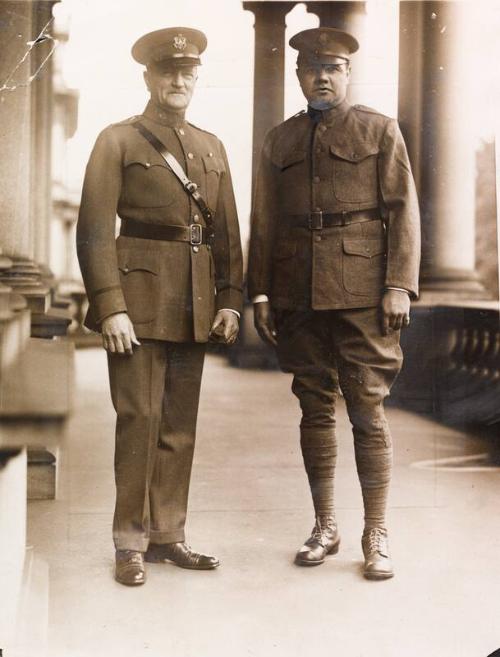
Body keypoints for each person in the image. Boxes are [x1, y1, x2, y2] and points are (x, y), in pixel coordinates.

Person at [247, 27, 420, 580]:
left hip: (365, 293)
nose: (322, 75)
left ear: (347, 73)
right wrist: (262, 290)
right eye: (311, 68)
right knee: (313, 408)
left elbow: (404, 211)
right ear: (299, 76)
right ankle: (326, 523)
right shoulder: (280, 141)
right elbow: (264, 221)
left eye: (333, 67)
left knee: (367, 409)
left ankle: (377, 531)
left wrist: (399, 284)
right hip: (297, 292)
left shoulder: (379, 129)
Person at [77, 27, 243, 586]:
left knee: (178, 424)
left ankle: (169, 534)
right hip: (139, 297)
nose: (178, 80)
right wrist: (110, 306)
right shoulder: (118, 140)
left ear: (196, 77)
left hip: (196, 300)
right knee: (139, 419)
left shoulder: (212, 146)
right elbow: (95, 232)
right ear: (149, 77)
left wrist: (231, 301)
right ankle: (130, 541)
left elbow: (228, 237)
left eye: (187, 72)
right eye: (167, 71)